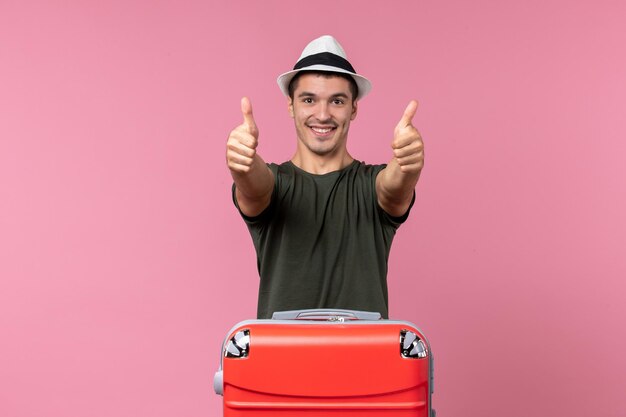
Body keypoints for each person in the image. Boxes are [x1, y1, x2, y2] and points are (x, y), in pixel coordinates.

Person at [226, 35, 424, 319]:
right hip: (283, 360)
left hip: (365, 360)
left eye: (337, 101)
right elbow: (255, 187)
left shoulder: (371, 186)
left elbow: (393, 188)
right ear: (291, 106)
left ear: (353, 108)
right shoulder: (275, 184)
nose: (322, 114)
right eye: (309, 99)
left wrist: (408, 166)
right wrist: (242, 165)